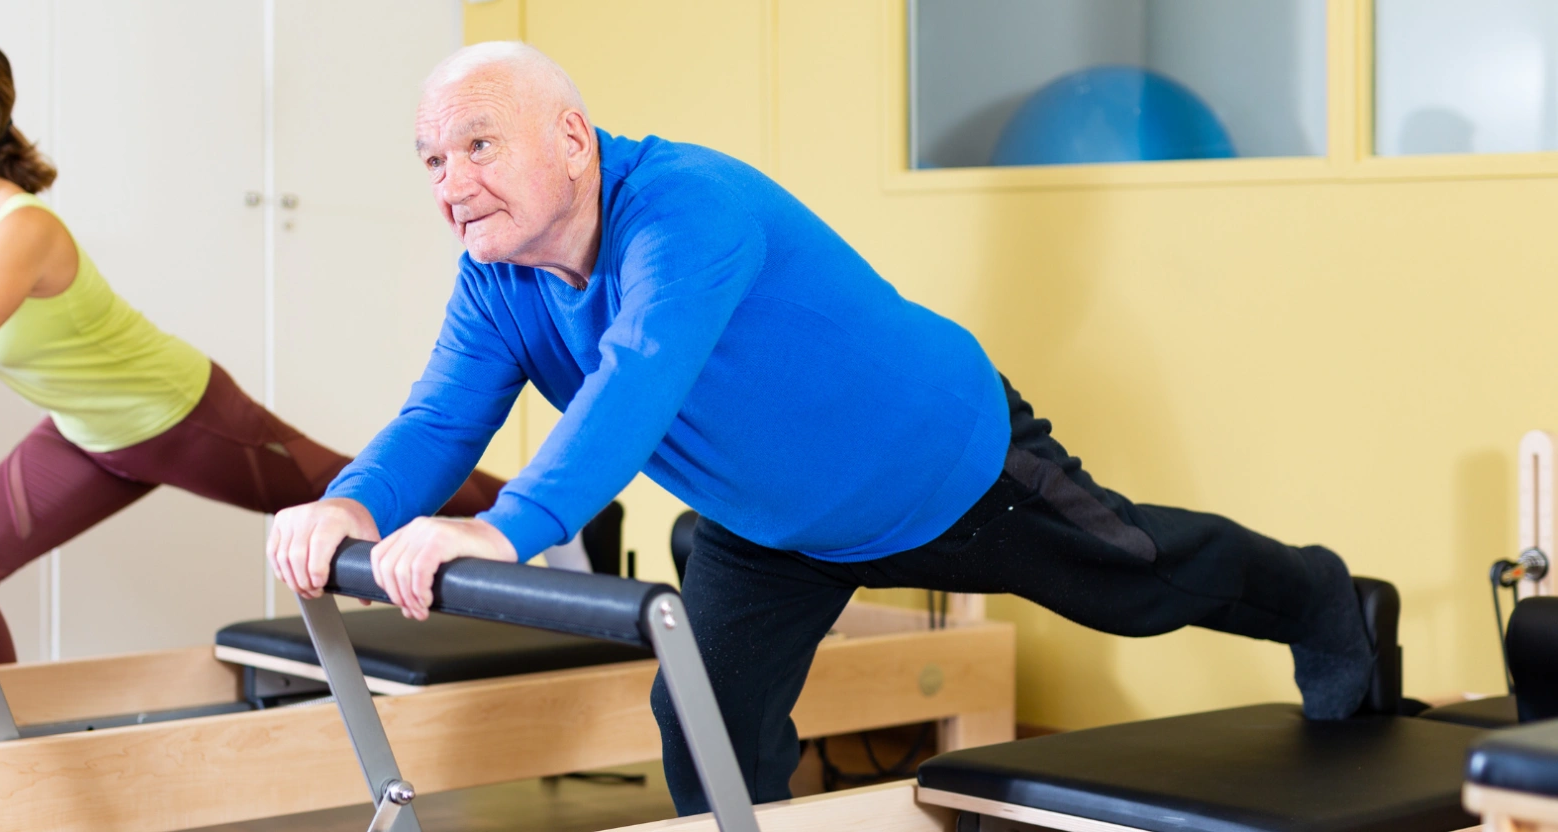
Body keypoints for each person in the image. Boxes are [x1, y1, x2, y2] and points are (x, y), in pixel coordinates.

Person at [266, 42, 1377, 815]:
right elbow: (442, 414)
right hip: (774, 526)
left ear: (570, 138)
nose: (452, 183)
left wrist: (506, 529)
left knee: (1141, 583)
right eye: (432, 160)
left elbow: (637, 376)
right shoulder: (498, 276)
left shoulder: (685, 207)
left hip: (949, 468)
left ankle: (1324, 598)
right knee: (706, 715)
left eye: (478, 145)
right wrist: (353, 504)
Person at [0, 30, 506, 669]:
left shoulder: (23, 228)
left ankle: (543, 514)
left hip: (184, 417)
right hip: (86, 438)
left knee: (375, 493)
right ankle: (4, 749)